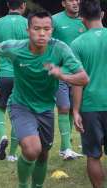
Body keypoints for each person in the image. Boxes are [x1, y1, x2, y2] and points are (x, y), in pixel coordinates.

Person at [0, 11, 89, 188]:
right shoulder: (16, 48)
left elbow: (83, 78)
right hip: (21, 106)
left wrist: (61, 75)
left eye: (46, 29)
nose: (42, 33)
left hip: (46, 108)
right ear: (28, 30)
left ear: (52, 30)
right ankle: (23, 185)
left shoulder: (60, 49)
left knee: (43, 154)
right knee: (32, 150)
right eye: (36, 28)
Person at [71, 0, 107, 187]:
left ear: (82, 19)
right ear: (102, 15)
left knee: (93, 155)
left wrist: (76, 110)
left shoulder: (77, 44)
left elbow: (77, 82)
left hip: (91, 106)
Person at [0, 0, 28, 161]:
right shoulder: (28, 24)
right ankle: (12, 154)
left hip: (3, 74)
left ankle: (2, 135)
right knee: (19, 113)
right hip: (22, 75)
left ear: (7, 4)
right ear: (23, 5)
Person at [52, 0, 86, 160]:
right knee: (64, 108)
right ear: (63, 3)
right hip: (61, 74)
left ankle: (65, 147)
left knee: (74, 109)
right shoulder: (55, 20)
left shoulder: (85, 20)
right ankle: (66, 149)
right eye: (71, 0)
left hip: (80, 74)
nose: (75, 2)